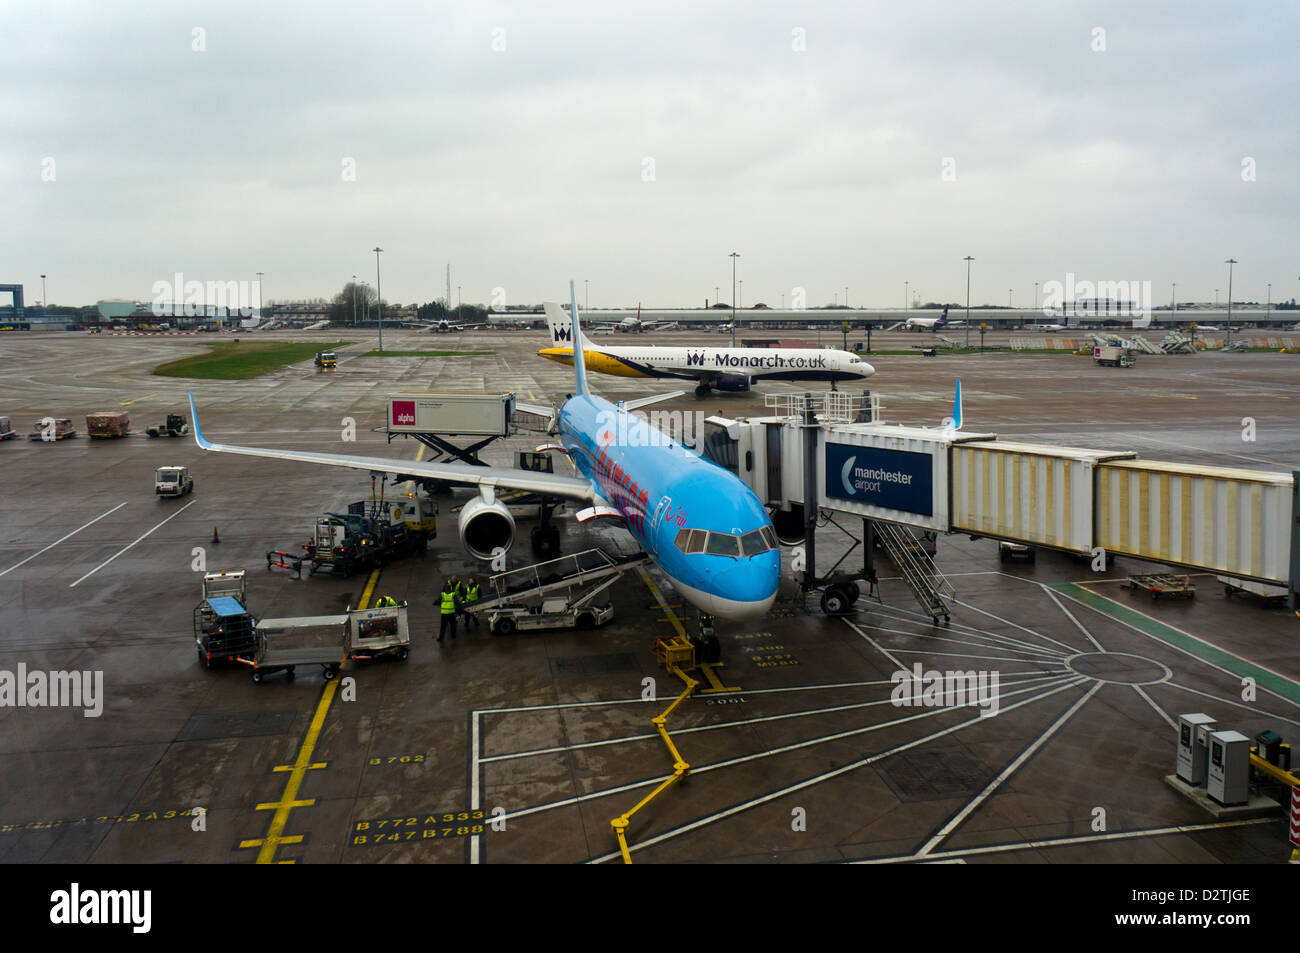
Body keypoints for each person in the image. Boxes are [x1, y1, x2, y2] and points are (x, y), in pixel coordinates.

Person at [436, 575, 459, 642]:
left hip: (444, 613)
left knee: (443, 626)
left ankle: (441, 638)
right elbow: (457, 602)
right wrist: (459, 607)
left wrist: (436, 603)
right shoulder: (453, 594)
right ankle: (453, 636)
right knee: (453, 625)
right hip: (451, 613)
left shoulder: (442, 594)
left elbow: (438, 601)